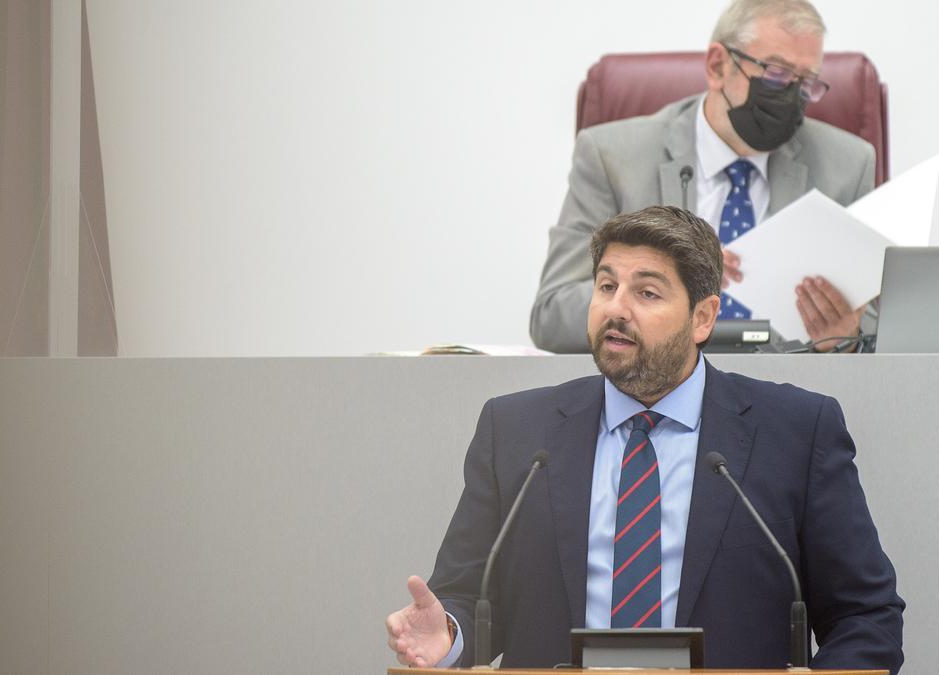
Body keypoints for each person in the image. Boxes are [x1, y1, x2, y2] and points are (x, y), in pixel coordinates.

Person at [386, 206, 904, 671]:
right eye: (606, 286)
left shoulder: (794, 431)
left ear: (703, 317)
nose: (617, 308)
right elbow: (466, 597)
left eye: (647, 292)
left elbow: (865, 616)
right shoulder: (518, 431)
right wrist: (448, 636)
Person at [531, 0, 874, 354]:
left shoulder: (848, 165)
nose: (791, 96)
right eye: (776, 73)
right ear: (717, 65)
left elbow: (882, 321)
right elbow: (552, 315)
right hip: (656, 391)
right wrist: (657, 284)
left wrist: (846, 335)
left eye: (806, 84)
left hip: (789, 392)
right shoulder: (612, 157)